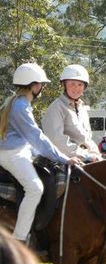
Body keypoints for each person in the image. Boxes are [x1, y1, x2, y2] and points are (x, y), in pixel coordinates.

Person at [0, 63, 80, 242]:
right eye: (41, 84)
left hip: (20, 149)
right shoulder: (20, 106)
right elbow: (37, 137)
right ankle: (19, 239)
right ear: (34, 85)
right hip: (12, 153)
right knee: (35, 188)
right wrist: (64, 158)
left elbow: (32, 140)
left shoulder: (18, 102)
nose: (42, 87)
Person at [41, 64, 101, 163]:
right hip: (65, 161)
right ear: (64, 85)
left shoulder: (82, 108)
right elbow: (57, 141)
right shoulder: (56, 107)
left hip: (85, 158)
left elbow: (87, 139)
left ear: (84, 87)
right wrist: (85, 156)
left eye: (80, 84)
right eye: (72, 84)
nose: (76, 88)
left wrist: (96, 154)